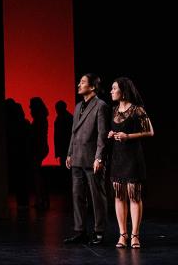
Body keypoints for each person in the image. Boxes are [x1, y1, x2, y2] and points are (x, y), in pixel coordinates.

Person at [108, 77, 154, 249]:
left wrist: (129, 136)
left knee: (134, 195)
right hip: (118, 157)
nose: (111, 91)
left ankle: (135, 235)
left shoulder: (137, 110)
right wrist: (112, 134)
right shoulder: (113, 110)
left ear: (123, 90)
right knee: (119, 195)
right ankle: (122, 234)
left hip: (133, 157)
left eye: (114, 88)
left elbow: (150, 132)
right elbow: (114, 130)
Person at [64, 73, 110, 246]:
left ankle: (99, 232)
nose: (78, 84)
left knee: (96, 196)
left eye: (82, 82)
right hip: (77, 157)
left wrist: (99, 158)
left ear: (92, 87)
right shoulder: (77, 107)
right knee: (77, 196)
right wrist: (69, 153)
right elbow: (74, 132)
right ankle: (80, 231)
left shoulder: (101, 106)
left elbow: (102, 135)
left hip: (92, 159)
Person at [29, 97, 50, 210]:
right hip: (41, 147)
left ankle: (40, 198)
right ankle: (42, 197)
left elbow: (36, 135)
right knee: (37, 174)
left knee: (36, 174)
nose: (29, 108)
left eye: (31, 106)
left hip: (39, 147)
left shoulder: (39, 119)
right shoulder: (42, 118)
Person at [54, 100, 73, 192]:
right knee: (65, 169)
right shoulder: (67, 117)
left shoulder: (64, 118)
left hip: (66, 148)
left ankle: (67, 188)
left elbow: (60, 136)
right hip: (64, 148)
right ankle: (67, 187)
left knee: (66, 169)